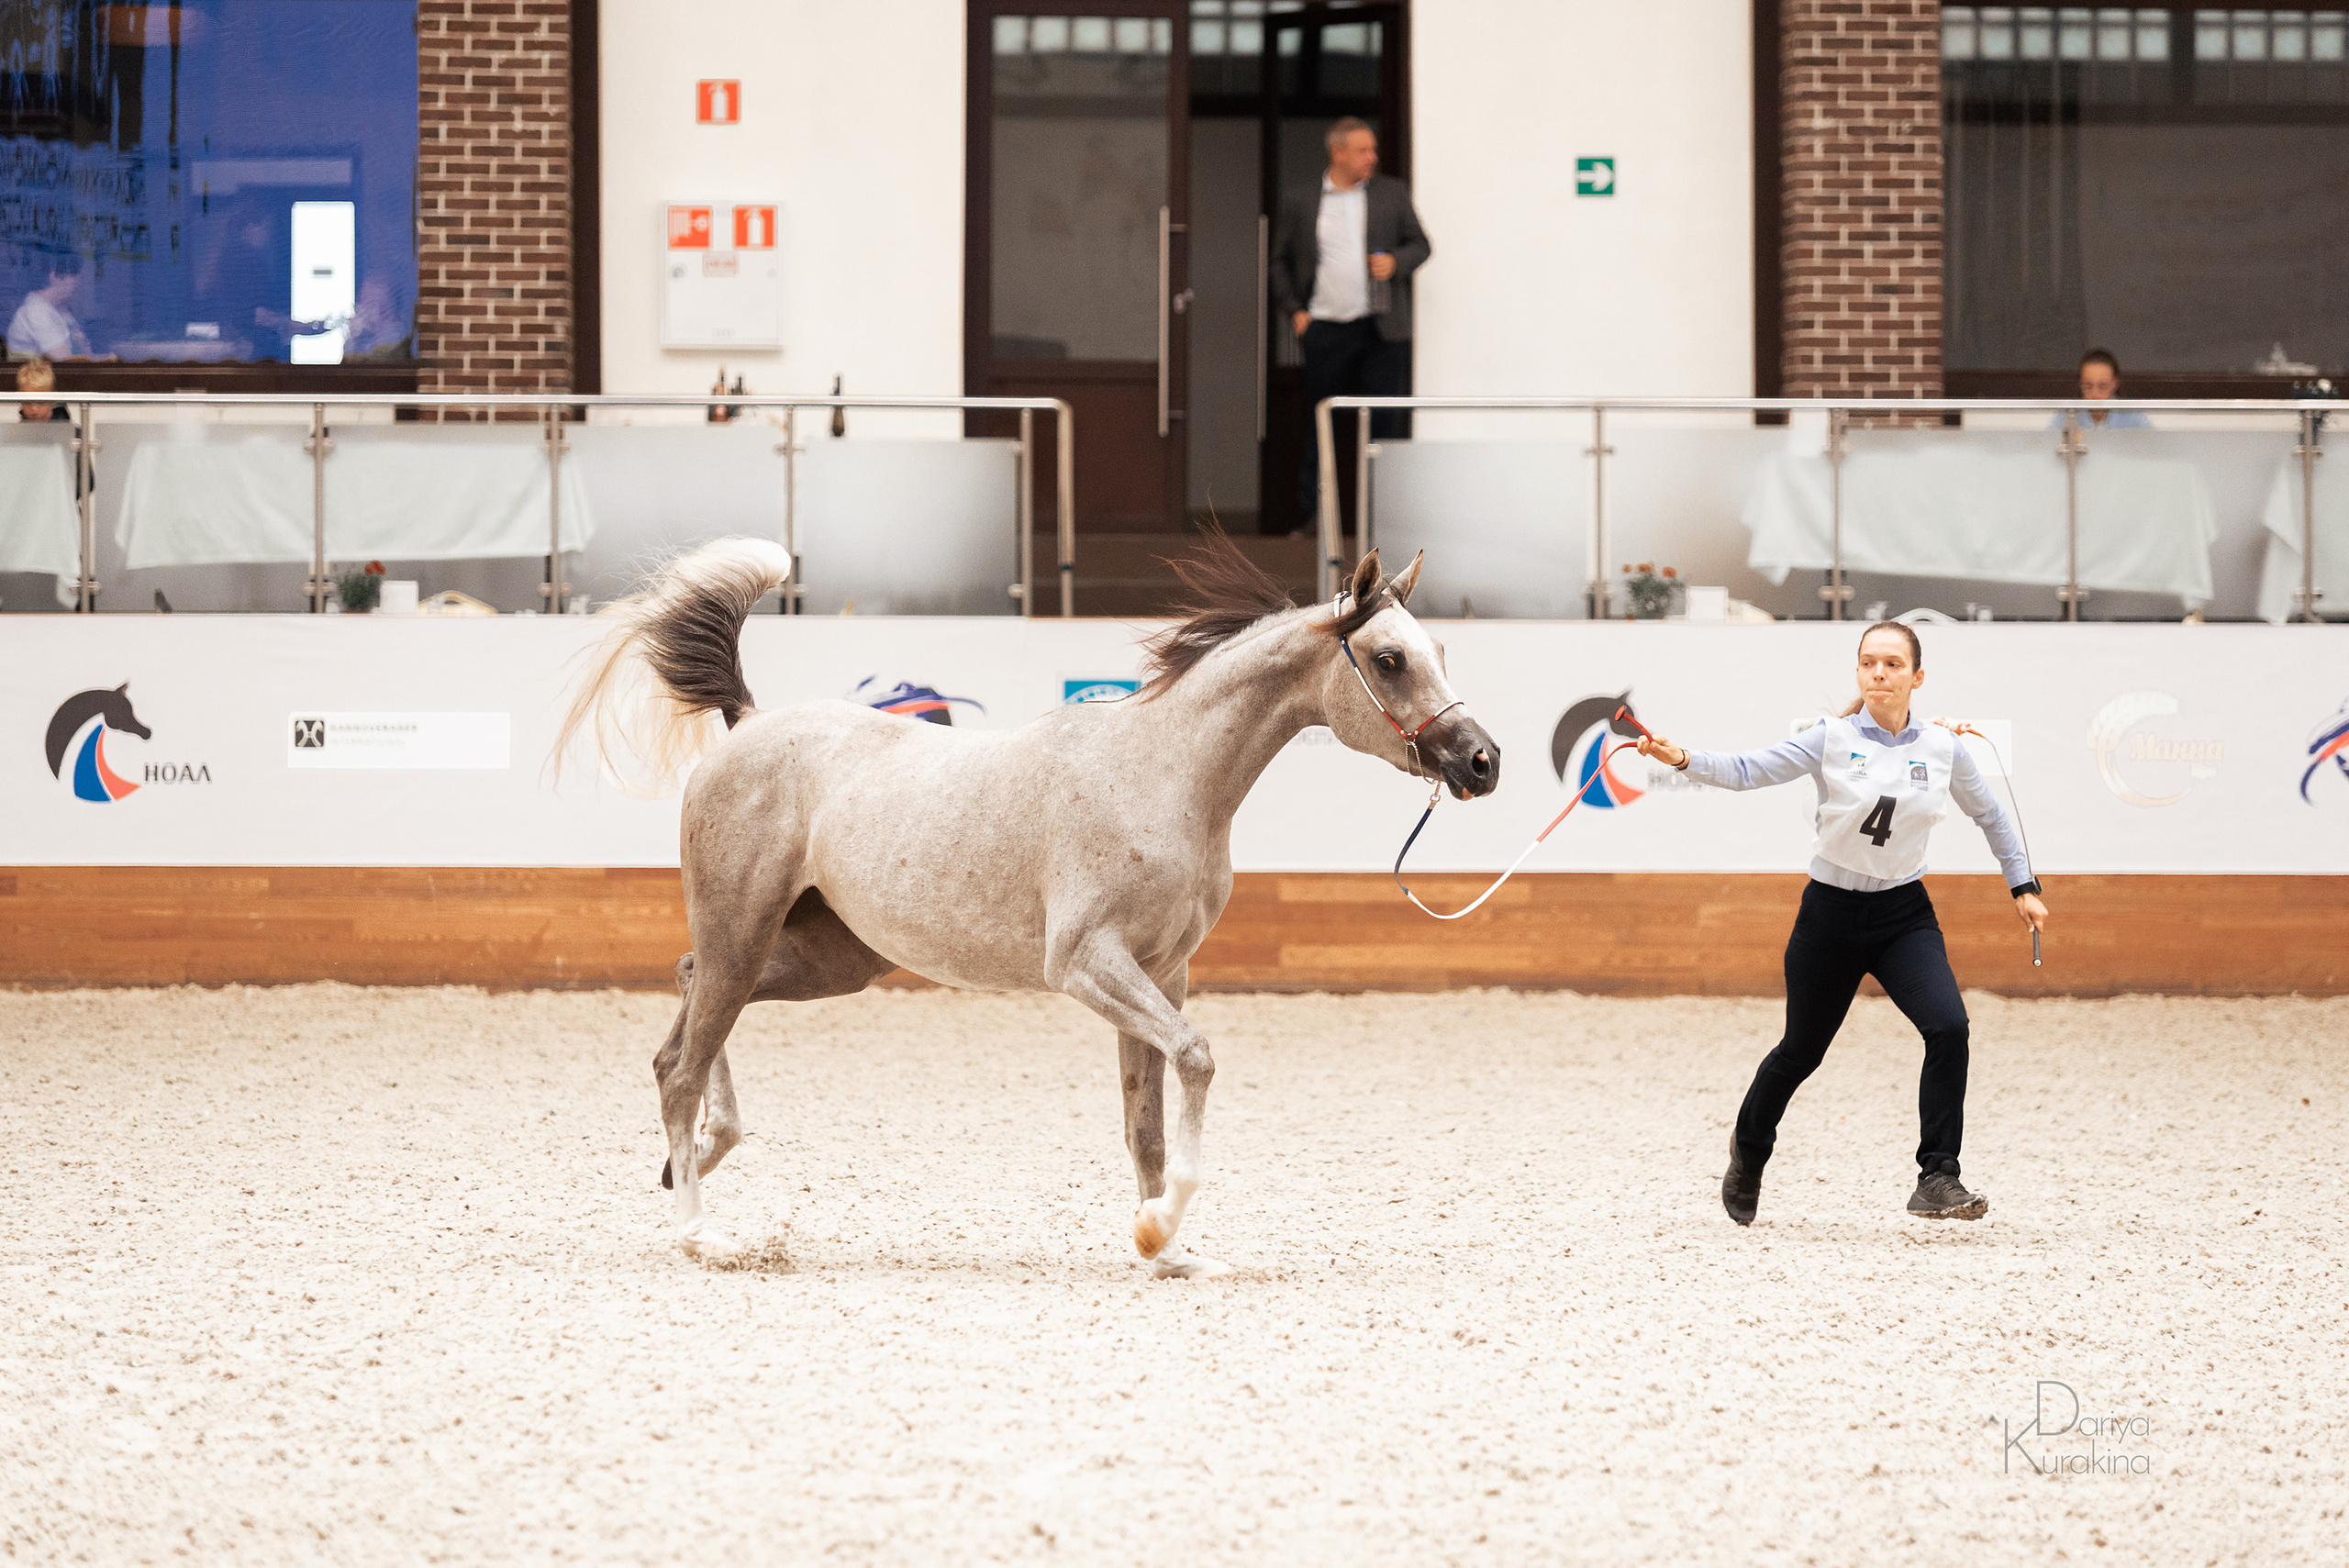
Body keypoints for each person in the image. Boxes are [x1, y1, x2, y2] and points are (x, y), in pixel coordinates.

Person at [1631, 622, 2050, 1227]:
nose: (1879, 673)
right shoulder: (1827, 739)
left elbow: (1992, 816)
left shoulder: (1943, 747)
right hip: (1830, 913)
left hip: (1903, 913)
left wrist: (2023, 884)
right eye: (1869, 663)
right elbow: (1750, 769)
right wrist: (1683, 758)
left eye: (1892, 663)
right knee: (1801, 1050)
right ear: (1859, 674)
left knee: (1949, 1025)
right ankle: (1748, 1155)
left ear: (1917, 677)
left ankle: (1938, 1174)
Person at [1271, 116, 1431, 532]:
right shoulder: (1302, 200)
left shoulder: (1390, 194)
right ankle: (1313, 518)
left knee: (1384, 424)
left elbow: (1421, 244)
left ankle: (1383, 519)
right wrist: (1295, 312)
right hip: (1325, 328)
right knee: (1322, 422)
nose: (1372, 158)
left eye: (1373, 149)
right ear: (1337, 152)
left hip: (1383, 330)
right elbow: (1278, 262)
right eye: (1363, 150)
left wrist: (1396, 262)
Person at [8, 256, 94, 361]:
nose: (78, 284)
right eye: (74, 277)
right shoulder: (36, 311)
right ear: (54, 277)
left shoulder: (59, 309)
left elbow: (85, 352)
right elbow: (67, 364)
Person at [2049, 348, 2150, 430]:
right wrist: (2067, 441)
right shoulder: (2066, 416)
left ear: (2115, 384)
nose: (2095, 394)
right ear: (2080, 384)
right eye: (2088, 386)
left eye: (2102, 386)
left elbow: (2154, 449)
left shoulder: (2133, 416)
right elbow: (2046, 450)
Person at [15, 355, 67, 422]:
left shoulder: (70, 430)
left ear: (52, 400)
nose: (34, 408)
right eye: (27, 402)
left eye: (40, 401)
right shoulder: (13, 431)